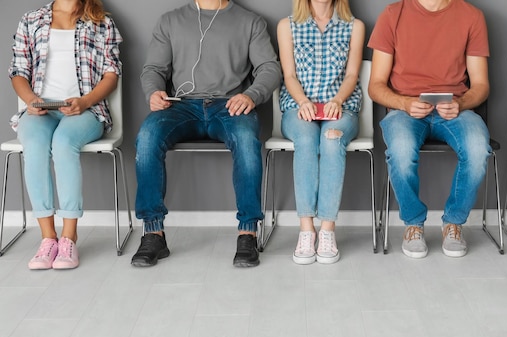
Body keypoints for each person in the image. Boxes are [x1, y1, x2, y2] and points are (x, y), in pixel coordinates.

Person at [131, 0, 281, 268]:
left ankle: (248, 232)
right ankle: (153, 232)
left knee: (247, 141)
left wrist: (251, 95)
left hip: (230, 104)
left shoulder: (250, 22)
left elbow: (269, 69)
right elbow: (153, 69)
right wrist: (154, 92)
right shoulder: (170, 21)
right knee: (147, 136)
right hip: (181, 105)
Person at [368, 0, 491, 259]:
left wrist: (460, 103)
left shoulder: (471, 16)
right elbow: (376, 85)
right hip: (405, 111)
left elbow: (481, 84)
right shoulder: (392, 15)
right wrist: (404, 103)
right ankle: (413, 224)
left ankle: (453, 223)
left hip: (455, 110)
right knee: (400, 151)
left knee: (479, 149)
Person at [8, 0, 122, 270]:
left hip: (86, 110)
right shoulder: (31, 20)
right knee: (34, 144)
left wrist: (85, 102)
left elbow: (111, 74)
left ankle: (69, 237)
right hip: (40, 109)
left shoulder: (101, 21)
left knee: (63, 143)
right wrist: (31, 100)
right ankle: (48, 239)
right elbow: (18, 73)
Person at [277, 0, 364, 265]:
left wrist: (336, 101)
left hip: (341, 108)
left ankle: (327, 230)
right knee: (306, 138)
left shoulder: (354, 26)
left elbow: (351, 75)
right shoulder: (287, 26)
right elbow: (289, 75)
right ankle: (306, 231)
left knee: (330, 138)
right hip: (297, 107)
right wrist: (303, 102)